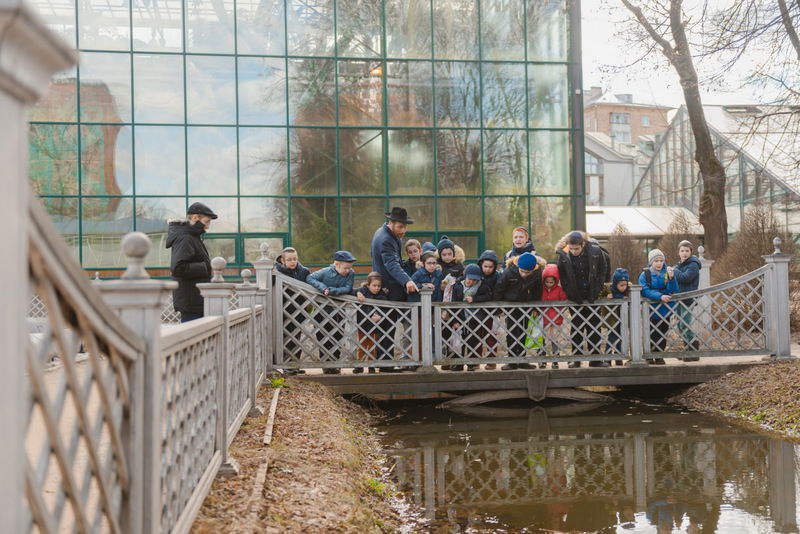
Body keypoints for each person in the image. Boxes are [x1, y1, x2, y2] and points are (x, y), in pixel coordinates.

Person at [371, 207, 418, 372]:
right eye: (400, 227)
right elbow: (391, 264)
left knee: (388, 326)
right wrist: (407, 281)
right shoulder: (385, 239)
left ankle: (386, 363)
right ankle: (385, 365)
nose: (403, 230)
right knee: (387, 326)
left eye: (405, 227)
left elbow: (394, 261)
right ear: (390, 223)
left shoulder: (386, 233)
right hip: (389, 289)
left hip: (389, 287)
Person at [555, 231, 611, 368]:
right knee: (577, 328)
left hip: (593, 294)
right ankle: (576, 359)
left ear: (583, 244)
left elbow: (604, 269)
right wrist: (569, 291)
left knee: (594, 327)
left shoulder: (596, 252)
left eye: (576, 248)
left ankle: (596, 359)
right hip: (575, 297)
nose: (573, 251)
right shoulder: (563, 256)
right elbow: (562, 275)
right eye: (571, 248)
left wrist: (599, 286)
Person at [307, 250, 356, 374]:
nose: (348, 270)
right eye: (345, 268)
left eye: (350, 268)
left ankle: (335, 363)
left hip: (339, 311)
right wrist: (322, 288)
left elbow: (348, 288)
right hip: (321, 309)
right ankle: (326, 364)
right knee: (322, 336)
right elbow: (310, 278)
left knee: (337, 336)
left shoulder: (350, 274)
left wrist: (332, 290)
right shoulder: (325, 272)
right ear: (337, 264)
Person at [166, 202, 217, 323]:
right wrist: (205, 267)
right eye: (206, 221)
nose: (207, 227)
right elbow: (178, 268)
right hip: (192, 303)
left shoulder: (191, 236)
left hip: (194, 301)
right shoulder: (186, 238)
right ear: (195, 218)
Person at [494, 252, 544, 370]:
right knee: (511, 332)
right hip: (510, 306)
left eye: (527, 272)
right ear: (518, 267)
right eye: (522, 271)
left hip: (525, 306)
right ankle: (512, 361)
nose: (524, 274)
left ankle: (522, 359)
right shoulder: (508, 272)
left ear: (533, 270)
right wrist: (498, 309)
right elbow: (499, 289)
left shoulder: (537, 274)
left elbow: (537, 292)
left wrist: (535, 308)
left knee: (523, 332)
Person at [275, 246, 311, 375]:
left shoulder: (304, 272)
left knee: (296, 337)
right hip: (283, 309)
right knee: (286, 338)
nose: (293, 262)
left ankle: (295, 365)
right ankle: (286, 366)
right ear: (283, 260)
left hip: (299, 310)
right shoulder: (277, 272)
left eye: (295, 259)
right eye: (289, 259)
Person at [639, 249, 678, 364]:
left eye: (661, 261)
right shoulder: (645, 274)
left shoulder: (667, 272)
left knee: (663, 332)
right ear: (651, 262)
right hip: (651, 309)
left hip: (665, 309)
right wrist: (659, 296)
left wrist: (672, 278)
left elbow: (673, 290)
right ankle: (649, 355)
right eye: (656, 261)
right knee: (651, 333)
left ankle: (659, 354)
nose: (659, 263)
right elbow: (644, 290)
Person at [447, 264, 484, 371]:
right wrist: (454, 320)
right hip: (460, 318)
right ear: (465, 275)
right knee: (459, 342)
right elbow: (453, 303)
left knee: (473, 341)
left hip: (474, 319)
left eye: (474, 280)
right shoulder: (457, 285)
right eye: (469, 279)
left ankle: (472, 363)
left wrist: (475, 299)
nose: (471, 282)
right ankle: (459, 364)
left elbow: (487, 296)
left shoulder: (481, 286)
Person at [352, 272, 389, 374]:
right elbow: (351, 291)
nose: (377, 288)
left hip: (375, 326)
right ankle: (359, 365)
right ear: (368, 285)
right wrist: (357, 293)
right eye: (374, 285)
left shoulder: (382, 295)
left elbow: (386, 309)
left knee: (373, 346)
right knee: (362, 345)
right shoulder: (362, 291)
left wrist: (381, 316)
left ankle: (371, 365)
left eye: (379, 286)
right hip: (363, 325)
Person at [673, 240, 701, 360]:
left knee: (685, 324)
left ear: (691, 252)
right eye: (682, 251)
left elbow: (686, 278)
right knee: (680, 325)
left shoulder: (693, 265)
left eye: (687, 251)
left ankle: (693, 349)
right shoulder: (680, 265)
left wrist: (674, 271)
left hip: (687, 299)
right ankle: (688, 348)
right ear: (678, 252)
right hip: (679, 298)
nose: (684, 253)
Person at [540, 263, 568, 369]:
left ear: (556, 281)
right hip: (543, 319)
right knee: (542, 339)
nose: (549, 284)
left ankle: (555, 359)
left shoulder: (559, 290)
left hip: (556, 319)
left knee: (554, 339)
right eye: (547, 282)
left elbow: (564, 301)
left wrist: (560, 311)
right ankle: (542, 359)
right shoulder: (541, 289)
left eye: (551, 282)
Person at [476, 250, 501, 369]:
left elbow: (498, 292)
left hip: (491, 311)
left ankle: (491, 361)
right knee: (475, 336)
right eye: (485, 266)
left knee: (491, 336)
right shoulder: (476, 274)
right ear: (481, 264)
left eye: (490, 267)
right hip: (476, 311)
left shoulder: (497, 276)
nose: (487, 269)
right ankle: (475, 360)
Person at [606, 268, 630, 367]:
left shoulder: (628, 290)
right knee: (611, 336)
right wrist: (607, 297)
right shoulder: (610, 290)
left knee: (621, 336)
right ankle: (608, 356)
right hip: (612, 318)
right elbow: (601, 295)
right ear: (615, 283)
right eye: (621, 285)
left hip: (623, 318)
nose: (624, 287)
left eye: (625, 285)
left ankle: (618, 356)